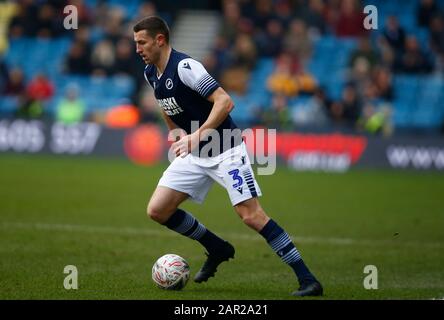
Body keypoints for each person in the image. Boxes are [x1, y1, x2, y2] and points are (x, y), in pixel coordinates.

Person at [133, 16, 323, 297]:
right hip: (195, 153)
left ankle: (308, 280)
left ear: (160, 40)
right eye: (135, 43)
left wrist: (197, 134)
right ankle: (217, 247)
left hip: (226, 150)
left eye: (142, 42)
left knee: (250, 215)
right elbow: (165, 103)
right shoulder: (151, 72)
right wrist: (174, 132)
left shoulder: (186, 67)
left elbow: (225, 101)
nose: (137, 48)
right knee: (158, 210)